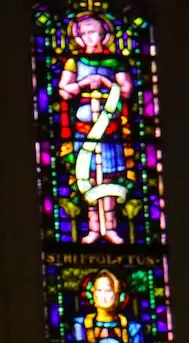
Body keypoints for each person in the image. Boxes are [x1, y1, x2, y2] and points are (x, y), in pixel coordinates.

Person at [55, 11, 136, 244]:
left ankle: (110, 226)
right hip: (84, 130)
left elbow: (127, 89)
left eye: (93, 32)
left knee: (109, 176)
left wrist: (106, 83)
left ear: (103, 34)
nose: (88, 37)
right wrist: (82, 85)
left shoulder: (115, 62)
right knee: (87, 177)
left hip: (110, 130)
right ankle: (93, 228)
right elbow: (64, 89)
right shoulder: (75, 62)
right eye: (84, 33)